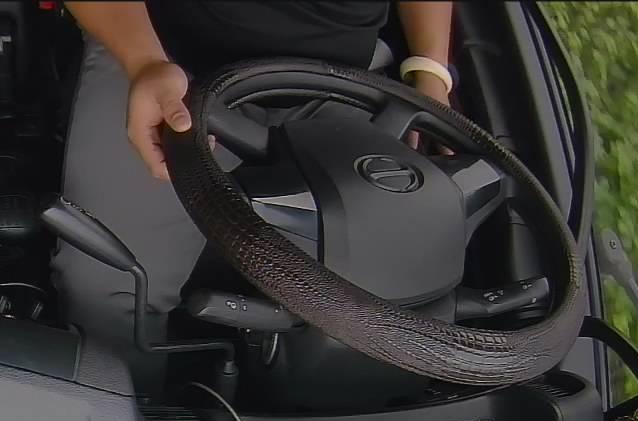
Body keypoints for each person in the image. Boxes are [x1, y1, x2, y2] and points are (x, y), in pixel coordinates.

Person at [52, 1, 454, 389]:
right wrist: (144, 62)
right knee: (111, 288)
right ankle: (124, 412)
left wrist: (431, 72)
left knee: (391, 294)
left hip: (344, 81)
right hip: (161, 60)